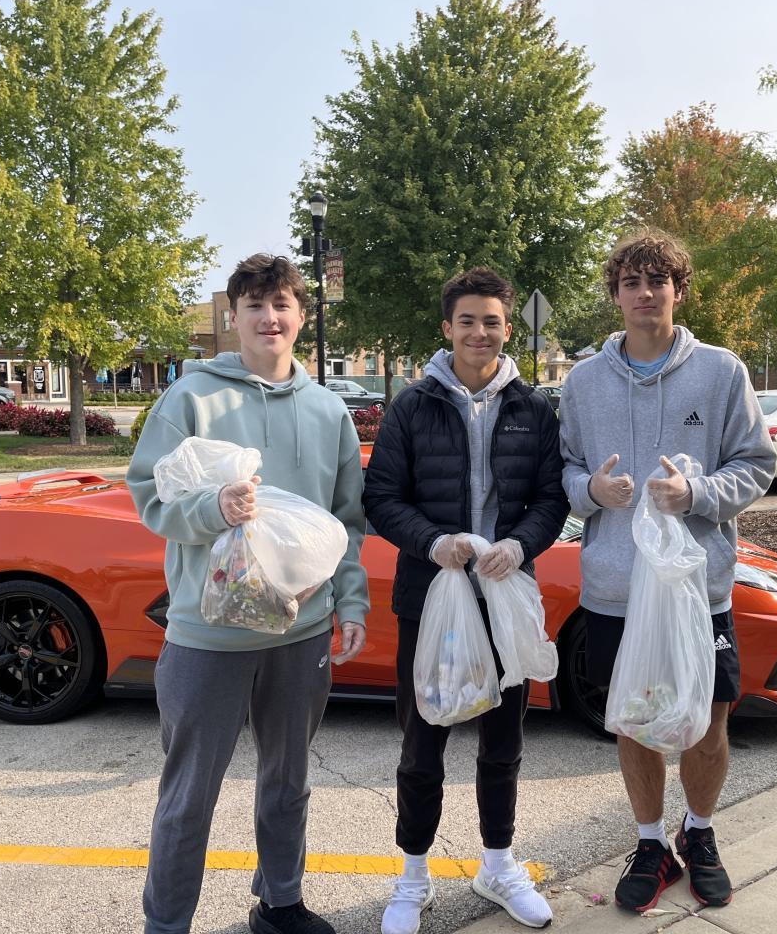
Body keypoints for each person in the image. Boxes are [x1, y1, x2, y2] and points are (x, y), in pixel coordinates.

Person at [127, 253, 369, 934]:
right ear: (232, 317)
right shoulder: (192, 399)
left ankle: (281, 903)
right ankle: (166, 923)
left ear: (302, 316)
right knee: (189, 795)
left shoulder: (328, 411)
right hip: (208, 634)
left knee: (288, 781)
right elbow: (148, 495)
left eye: (282, 304)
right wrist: (213, 509)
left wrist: (351, 601)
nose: (269, 317)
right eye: (254, 305)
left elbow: (345, 521)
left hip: (301, 629)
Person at [558, 228, 774, 912]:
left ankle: (699, 833)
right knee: (635, 721)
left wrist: (697, 493)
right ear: (616, 295)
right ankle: (650, 844)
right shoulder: (583, 381)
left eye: (658, 281)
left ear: (679, 291)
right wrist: (592, 491)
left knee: (708, 724)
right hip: (616, 590)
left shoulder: (721, 371)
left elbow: (757, 463)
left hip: (697, 590)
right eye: (631, 283)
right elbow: (563, 469)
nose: (644, 294)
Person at [363, 267, 569, 933]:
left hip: (503, 598)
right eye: (468, 321)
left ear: (507, 328)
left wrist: (521, 544)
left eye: (492, 322)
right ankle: (412, 877)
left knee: (503, 743)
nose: (480, 332)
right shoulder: (412, 405)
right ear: (447, 328)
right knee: (423, 744)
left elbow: (551, 499)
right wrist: (433, 542)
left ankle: (498, 865)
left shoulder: (532, 408)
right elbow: (381, 498)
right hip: (431, 601)